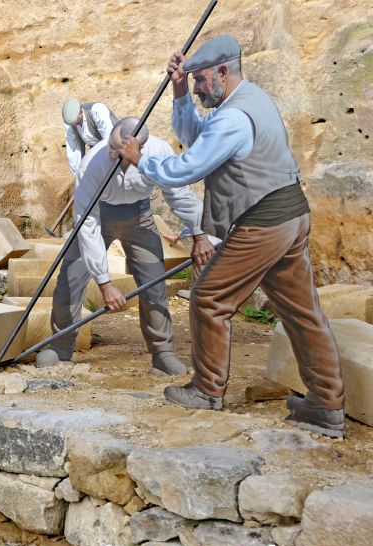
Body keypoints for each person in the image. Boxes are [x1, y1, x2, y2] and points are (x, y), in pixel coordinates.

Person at [115, 34, 345, 438]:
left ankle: (207, 391)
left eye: (201, 80)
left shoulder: (233, 119)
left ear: (223, 71)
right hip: (289, 215)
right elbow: (194, 133)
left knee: (208, 299)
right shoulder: (248, 99)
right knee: (302, 312)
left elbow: (187, 165)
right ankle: (327, 406)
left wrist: (142, 161)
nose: (201, 87)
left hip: (264, 222)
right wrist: (182, 91)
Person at [37, 117, 206, 377]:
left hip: (140, 217)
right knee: (70, 277)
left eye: (119, 150)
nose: (111, 153)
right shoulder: (92, 163)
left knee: (154, 285)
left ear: (138, 149)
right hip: (99, 216)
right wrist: (104, 283)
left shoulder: (159, 153)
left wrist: (199, 233)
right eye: (111, 146)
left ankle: (162, 353)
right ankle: (60, 347)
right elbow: (87, 224)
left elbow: (179, 194)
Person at [62, 99, 119, 176]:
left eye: (74, 122)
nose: (74, 125)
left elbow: (109, 139)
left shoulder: (97, 110)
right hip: (98, 152)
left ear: (80, 111)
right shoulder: (71, 124)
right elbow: (73, 149)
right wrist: (78, 175)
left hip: (117, 145)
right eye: (72, 123)